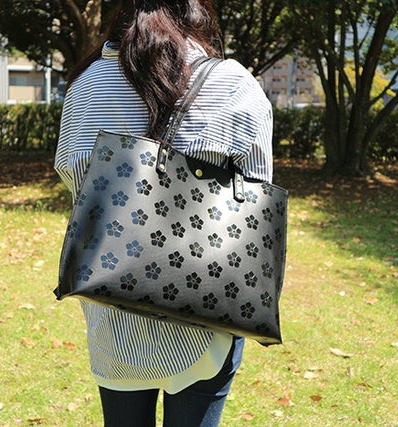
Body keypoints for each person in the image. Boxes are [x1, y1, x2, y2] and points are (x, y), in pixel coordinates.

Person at [54, 1, 273, 425]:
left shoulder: (88, 84)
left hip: (113, 315)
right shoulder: (233, 84)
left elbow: (73, 176)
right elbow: (255, 196)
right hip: (205, 318)